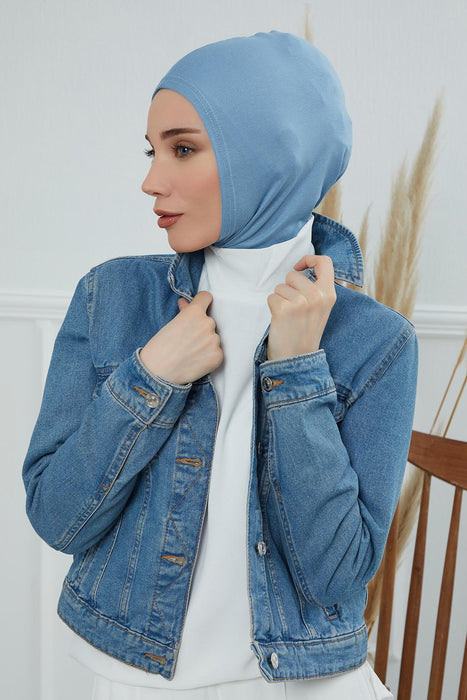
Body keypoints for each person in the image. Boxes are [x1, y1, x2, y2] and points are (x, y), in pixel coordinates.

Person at [22, 30, 418, 700]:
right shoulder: (111, 297)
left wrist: (298, 370)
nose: (151, 181)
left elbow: (335, 578)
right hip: (137, 676)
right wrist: (150, 375)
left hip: (303, 685)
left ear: (272, 154)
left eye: (183, 149)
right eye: (152, 151)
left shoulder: (376, 342)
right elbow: (59, 519)